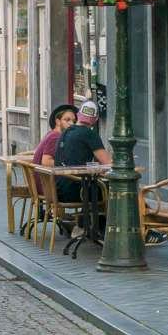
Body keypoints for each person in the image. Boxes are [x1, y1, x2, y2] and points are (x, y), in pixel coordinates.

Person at [51, 100, 110, 236]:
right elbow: (107, 162)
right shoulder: (89, 134)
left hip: (59, 190)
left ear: (78, 115)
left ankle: (86, 226)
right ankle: (125, 231)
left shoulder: (65, 132)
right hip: (77, 192)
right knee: (112, 189)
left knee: (97, 187)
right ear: (95, 120)